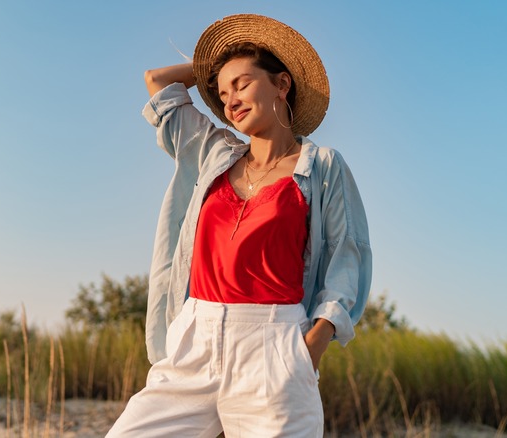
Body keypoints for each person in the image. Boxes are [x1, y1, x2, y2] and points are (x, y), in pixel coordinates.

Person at [107, 14, 371, 437]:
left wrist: (313, 345)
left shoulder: (322, 168)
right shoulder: (213, 152)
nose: (230, 99)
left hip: (274, 349)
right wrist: (217, 64)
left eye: (243, 84)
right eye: (222, 92)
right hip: (195, 340)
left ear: (282, 84)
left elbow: (347, 256)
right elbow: (158, 82)